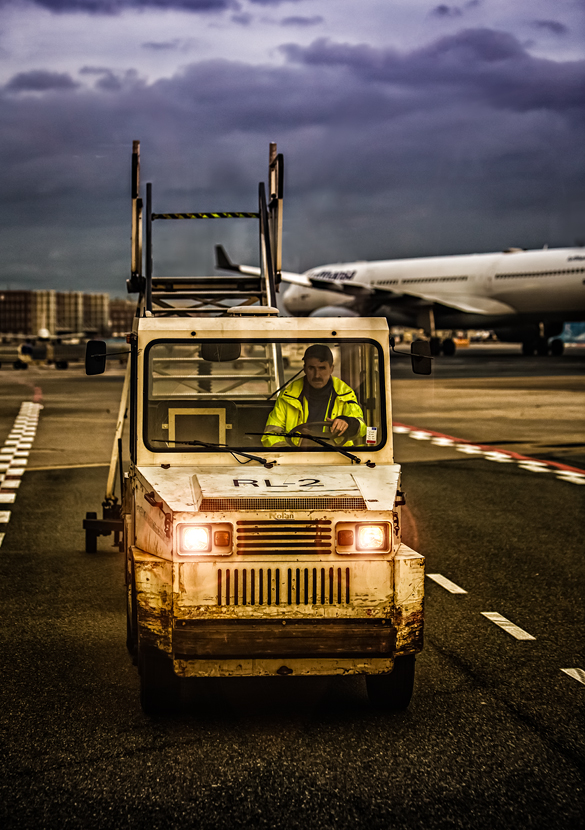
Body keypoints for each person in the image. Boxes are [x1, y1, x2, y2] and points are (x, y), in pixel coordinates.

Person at [262, 344, 366, 448]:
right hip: (297, 458)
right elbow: (271, 435)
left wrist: (347, 422)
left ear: (331, 369)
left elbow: (361, 428)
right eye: (311, 368)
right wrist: (290, 455)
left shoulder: (345, 393)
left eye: (322, 368)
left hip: (338, 456)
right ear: (305, 369)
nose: (317, 375)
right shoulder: (288, 395)